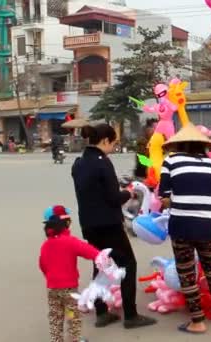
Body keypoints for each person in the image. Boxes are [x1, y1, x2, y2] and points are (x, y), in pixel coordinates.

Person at [71, 123, 156, 329]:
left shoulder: (79, 163)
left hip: (89, 224)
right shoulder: (103, 163)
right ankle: (131, 315)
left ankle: (101, 312)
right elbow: (113, 197)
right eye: (114, 143)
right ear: (105, 141)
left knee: (101, 263)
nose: (114, 147)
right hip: (108, 224)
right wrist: (129, 193)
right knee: (128, 264)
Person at [158, 123, 211, 334]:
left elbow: (164, 198)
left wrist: (176, 201)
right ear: (202, 146)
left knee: (187, 270)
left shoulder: (170, 162)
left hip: (182, 225)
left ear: (178, 144)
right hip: (208, 225)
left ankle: (197, 321)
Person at [39, 205, 99, 342]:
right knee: (72, 315)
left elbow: (42, 265)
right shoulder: (70, 242)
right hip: (69, 289)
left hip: (52, 288)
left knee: (55, 316)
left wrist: (51, 277)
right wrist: (102, 257)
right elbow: (90, 251)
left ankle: (56, 340)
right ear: (65, 226)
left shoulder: (46, 245)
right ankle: (75, 339)